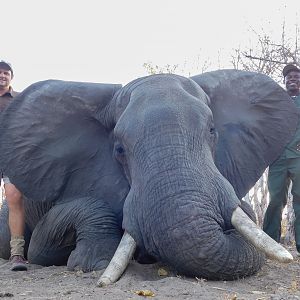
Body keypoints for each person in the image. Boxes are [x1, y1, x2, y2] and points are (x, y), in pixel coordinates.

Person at [263, 63, 300, 255]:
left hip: (298, 159)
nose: (292, 79)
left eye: (296, 76)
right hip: (277, 158)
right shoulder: (277, 102)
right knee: (276, 199)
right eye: (289, 77)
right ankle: (270, 242)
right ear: (284, 81)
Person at [0, 60, 27, 271]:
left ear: (11, 77)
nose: (2, 76)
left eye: (6, 73)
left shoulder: (20, 100)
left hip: (12, 156)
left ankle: (17, 254)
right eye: (0, 73)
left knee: (14, 198)